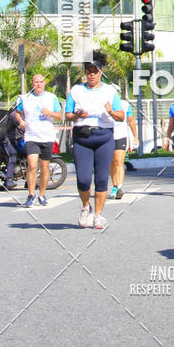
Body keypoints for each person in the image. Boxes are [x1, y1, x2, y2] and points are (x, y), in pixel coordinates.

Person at [65, 51, 124, 230]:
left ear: (101, 72)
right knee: (83, 179)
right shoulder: (76, 90)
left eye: (95, 70)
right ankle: (85, 207)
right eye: (89, 70)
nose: (92, 74)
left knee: (100, 179)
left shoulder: (109, 91)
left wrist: (110, 112)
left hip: (104, 137)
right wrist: (76, 115)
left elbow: (121, 116)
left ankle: (98, 215)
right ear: (85, 72)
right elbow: (67, 115)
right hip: (82, 137)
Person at [14, 75, 62, 207]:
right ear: (32, 83)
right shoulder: (25, 98)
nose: (39, 84)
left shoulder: (51, 98)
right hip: (31, 136)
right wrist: (21, 121)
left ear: (45, 83)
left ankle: (42, 194)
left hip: (47, 136)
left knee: (45, 167)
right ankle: (31, 194)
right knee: (32, 165)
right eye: (36, 82)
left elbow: (59, 115)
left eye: (41, 82)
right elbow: (17, 113)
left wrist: (49, 113)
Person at [110, 93, 139, 199]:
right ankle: (114, 185)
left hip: (121, 136)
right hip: (107, 136)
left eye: (116, 92)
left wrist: (135, 136)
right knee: (112, 163)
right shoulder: (105, 103)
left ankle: (119, 187)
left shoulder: (125, 104)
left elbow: (131, 120)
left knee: (119, 162)